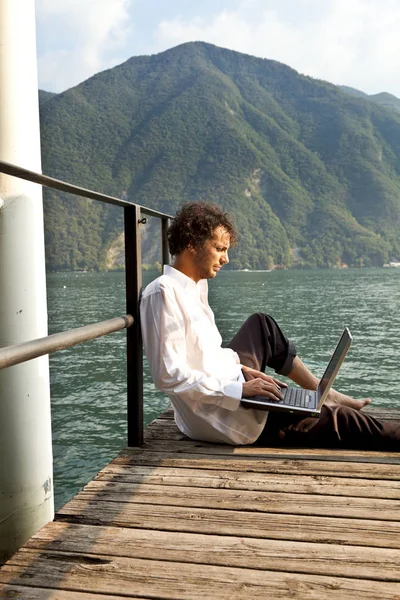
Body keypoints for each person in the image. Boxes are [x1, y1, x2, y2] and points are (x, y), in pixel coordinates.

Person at [140, 202, 400, 449]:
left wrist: (241, 369)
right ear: (191, 245)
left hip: (230, 385)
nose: (226, 259)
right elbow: (168, 375)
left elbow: (205, 354)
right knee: (343, 421)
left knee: (261, 326)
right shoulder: (163, 293)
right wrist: (241, 389)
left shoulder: (195, 287)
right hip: (221, 417)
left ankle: (323, 392)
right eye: (220, 249)